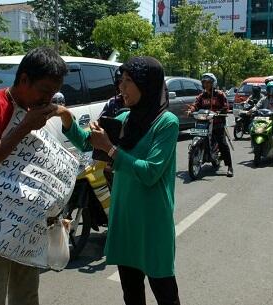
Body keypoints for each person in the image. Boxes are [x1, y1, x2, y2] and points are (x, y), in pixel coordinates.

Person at [55, 56, 181, 305]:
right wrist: (68, 120)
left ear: (147, 85)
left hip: (152, 222)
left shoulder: (167, 123)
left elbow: (150, 172)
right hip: (124, 219)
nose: (121, 88)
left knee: (166, 295)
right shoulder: (124, 119)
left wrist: (111, 149)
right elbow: (88, 143)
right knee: (132, 295)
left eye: (128, 81)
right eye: (120, 81)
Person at [0, 47, 67, 305]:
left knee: (27, 295)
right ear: (23, 80)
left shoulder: (44, 113)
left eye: (52, 93)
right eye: (43, 91)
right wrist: (24, 127)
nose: (48, 99)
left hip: (30, 223)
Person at [187, 72, 234, 177]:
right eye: (205, 83)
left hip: (217, 123)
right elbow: (195, 105)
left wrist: (219, 112)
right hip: (203, 123)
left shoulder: (220, 94)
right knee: (196, 136)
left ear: (213, 83)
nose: (206, 85)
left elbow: (226, 107)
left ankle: (230, 167)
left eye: (208, 83)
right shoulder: (201, 96)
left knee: (222, 144)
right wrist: (191, 110)